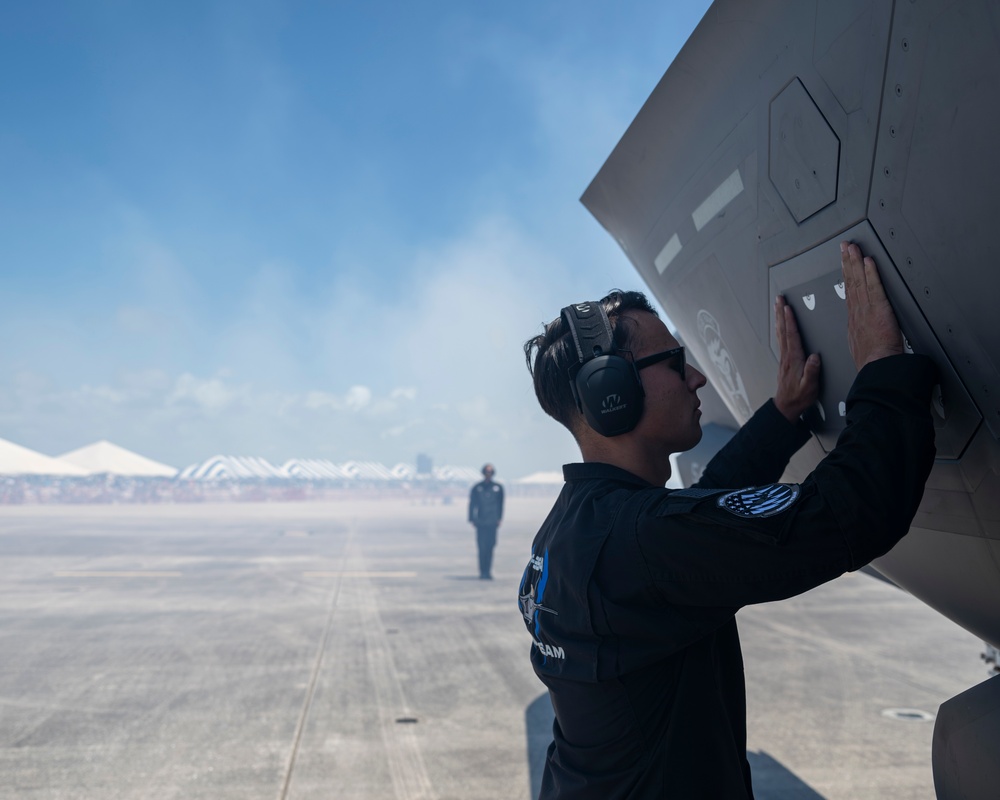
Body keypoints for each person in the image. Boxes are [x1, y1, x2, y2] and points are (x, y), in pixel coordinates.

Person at [517, 243, 937, 799]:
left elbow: (704, 516)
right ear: (610, 395)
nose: (697, 378)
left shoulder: (577, 527)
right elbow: (852, 513)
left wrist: (783, 416)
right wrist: (883, 366)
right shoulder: (641, 541)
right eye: (673, 363)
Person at [468, 463, 504, 579]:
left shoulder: (498, 488)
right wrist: (472, 518)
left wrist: (499, 518)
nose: (488, 474)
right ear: (483, 473)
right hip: (481, 522)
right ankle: (482, 572)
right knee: (482, 548)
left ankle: (488, 571)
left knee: (490, 546)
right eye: (486, 472)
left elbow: (501, 505)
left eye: (490, 472)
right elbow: (472, 504)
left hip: (493, 522)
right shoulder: (477, 487)